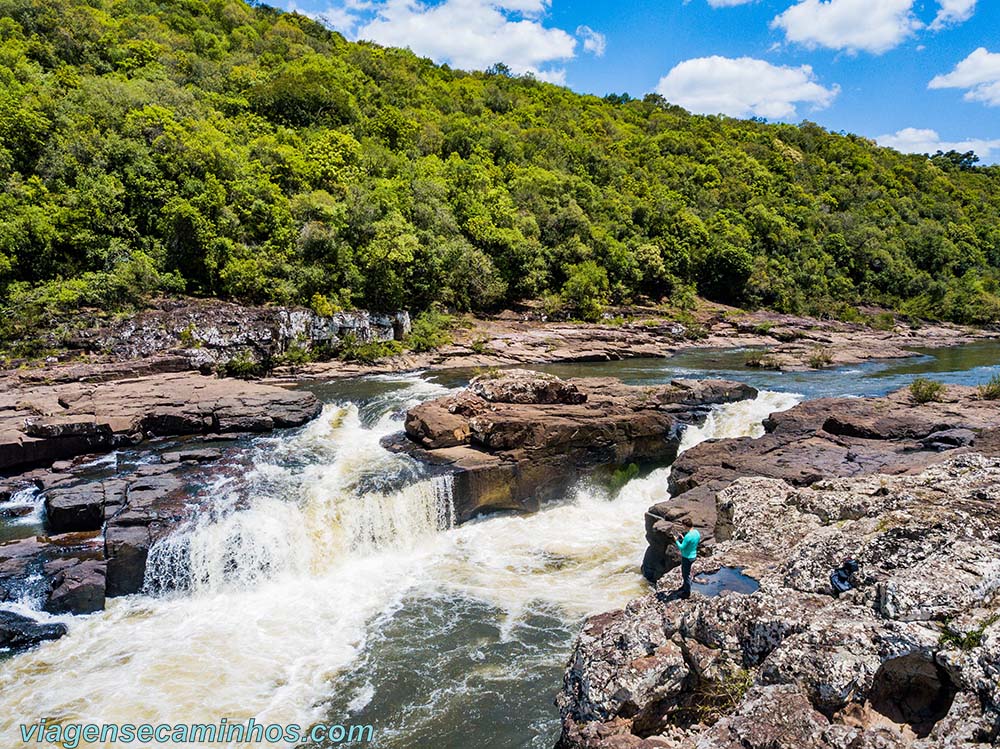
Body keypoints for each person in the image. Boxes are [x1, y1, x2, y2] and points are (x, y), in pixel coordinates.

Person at [675, 517, 701, 599]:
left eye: (683, 526)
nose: (683, 527)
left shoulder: (688, 536)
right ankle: (684, 586)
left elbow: (681, 547)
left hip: (687, 557)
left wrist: (676, 540)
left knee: (686, 575)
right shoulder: (696, 532)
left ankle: (687, 593)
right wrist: (684, 539)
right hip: (693, 556)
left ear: (686, 526)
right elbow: (693, 542)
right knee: (687, 573)